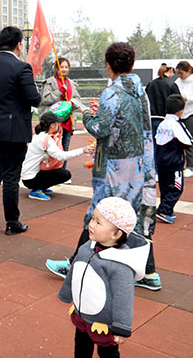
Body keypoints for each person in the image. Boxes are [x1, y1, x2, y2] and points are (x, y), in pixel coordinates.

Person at [46, 42, 160, 290]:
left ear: (109, 66)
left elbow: (100, 129)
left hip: (115, 168)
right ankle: (149, 272)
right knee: (136, 215)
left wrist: (87, 115)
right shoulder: (140, 91)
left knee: (98, 215)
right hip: (140, 164)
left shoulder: (112, 92)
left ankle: (76, 264)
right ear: (131, 64)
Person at [58, 197, 150, 358]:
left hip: (104, 323)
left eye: (98, 222)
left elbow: (123, 297)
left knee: (107, 352)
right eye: (93, 218)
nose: (91, 224)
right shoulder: (87, 247)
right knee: (81, 346)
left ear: (116, 234)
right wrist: (66, 293)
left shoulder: (120, 265)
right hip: (82, 314)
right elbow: (75, 273)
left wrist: (121, 328)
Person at [0, 26, 41, 235]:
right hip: (13, 131)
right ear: (19, 44)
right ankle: (12, 222)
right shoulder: (22, 68)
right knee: (11, 176)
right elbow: (34, 98)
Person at [21, 112, 94, 200]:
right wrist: (82, 150)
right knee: (64, 174)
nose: (59, 125)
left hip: (29, 175)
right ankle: (36, 190)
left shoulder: (40, 135)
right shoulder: (45, 139)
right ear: (52, 125)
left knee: (60, 172)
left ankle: (41, 186)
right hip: (30, 178)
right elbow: (60, 156)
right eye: (57, 123)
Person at [154, 94, 192, 224]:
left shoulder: (162, 123)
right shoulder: (177, 125)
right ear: (180, 111)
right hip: (174, 163)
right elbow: (188, 141)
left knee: (165, 187)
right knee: (176, 188)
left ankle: (168, 209)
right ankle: (163, 210)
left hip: (161, 161)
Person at [39, 57, 81, 168]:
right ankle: (51, 170)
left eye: (66, 67)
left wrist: (71, 103)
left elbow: (77, 99)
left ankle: (62, 170)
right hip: (53, 122)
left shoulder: (71, 83)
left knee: (65, 148)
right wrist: (59, 92)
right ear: (56, 68)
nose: (64, 69)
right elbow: (45, 99)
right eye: (62, 67)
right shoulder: (49, 82)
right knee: (51, 148)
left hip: (68, 121)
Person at [146, 64, 179, 139]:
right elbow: (177, 103)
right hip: (166, 120)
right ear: (170, 70)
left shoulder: (150, 84)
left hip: (151, 119)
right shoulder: (172, 85)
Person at [174, 61, 193, 177]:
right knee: (178, 140)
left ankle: (190, 166)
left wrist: (187, 98)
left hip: (190, 113)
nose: (179, 75)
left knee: (190, 140)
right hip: (179, 114)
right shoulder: (177, 82)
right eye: (178, 73)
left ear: (188, 71)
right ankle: (179, 164)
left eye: (181, 73)